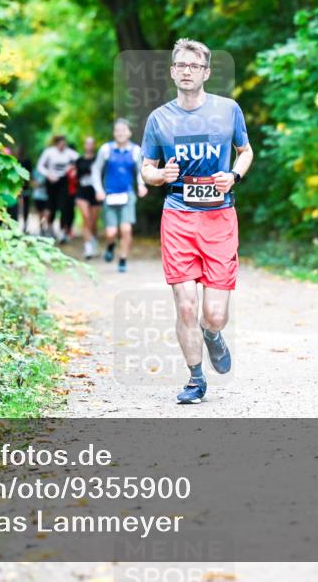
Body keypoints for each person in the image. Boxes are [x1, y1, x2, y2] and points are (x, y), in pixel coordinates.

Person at [139, 39, 253, 404]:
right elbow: (146, 169)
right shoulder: (159, 119)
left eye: (194, 66)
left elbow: (245, 151)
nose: (187, 71)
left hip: (220, 216)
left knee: (214, 315)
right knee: (185, 303)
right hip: (178, 215)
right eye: (180, 65)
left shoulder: (228, 110)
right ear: (172, 71)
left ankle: (213, 334)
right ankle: (195, 378)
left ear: (206, 72)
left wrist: (233, 176)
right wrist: (160, 176)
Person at [92, 120, 148, 272]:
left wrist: (142, 185)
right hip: (109, 195)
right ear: (114, 133)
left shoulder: (135, 150)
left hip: (127, 195)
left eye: (124, 130)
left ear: (129, 132)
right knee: (111, 233)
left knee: (126, 229)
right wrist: (98, 189)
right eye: (117, 130)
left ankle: (123, 259)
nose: (120, 133)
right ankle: (110, 245)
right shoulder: (106, 149)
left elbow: (141, 170)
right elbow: (96, 170)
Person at [35, 135, 78, 241]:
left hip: (64, 182)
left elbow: (79, 161)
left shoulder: (69, 153)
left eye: (64, 144)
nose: (62, 146)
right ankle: (49, 228)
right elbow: (40, 166)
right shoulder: (49, 152)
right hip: (51, 182)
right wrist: (48, 174)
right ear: (56, 143)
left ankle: (63, 230)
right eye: (60, 144)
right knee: (51, 206)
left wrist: (73, 168)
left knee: (64, 206)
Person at [75, 136, 102, 259]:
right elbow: (75, 177)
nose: (89, 146)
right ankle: (88, 247)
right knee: (86, 218)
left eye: (91, 143)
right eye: (87, 143)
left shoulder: (98, 159)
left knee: (93, 220)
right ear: (84, 145)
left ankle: (94, 240)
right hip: (82, 192)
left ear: (94, 145)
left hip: (95, 192)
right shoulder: (79, 160)